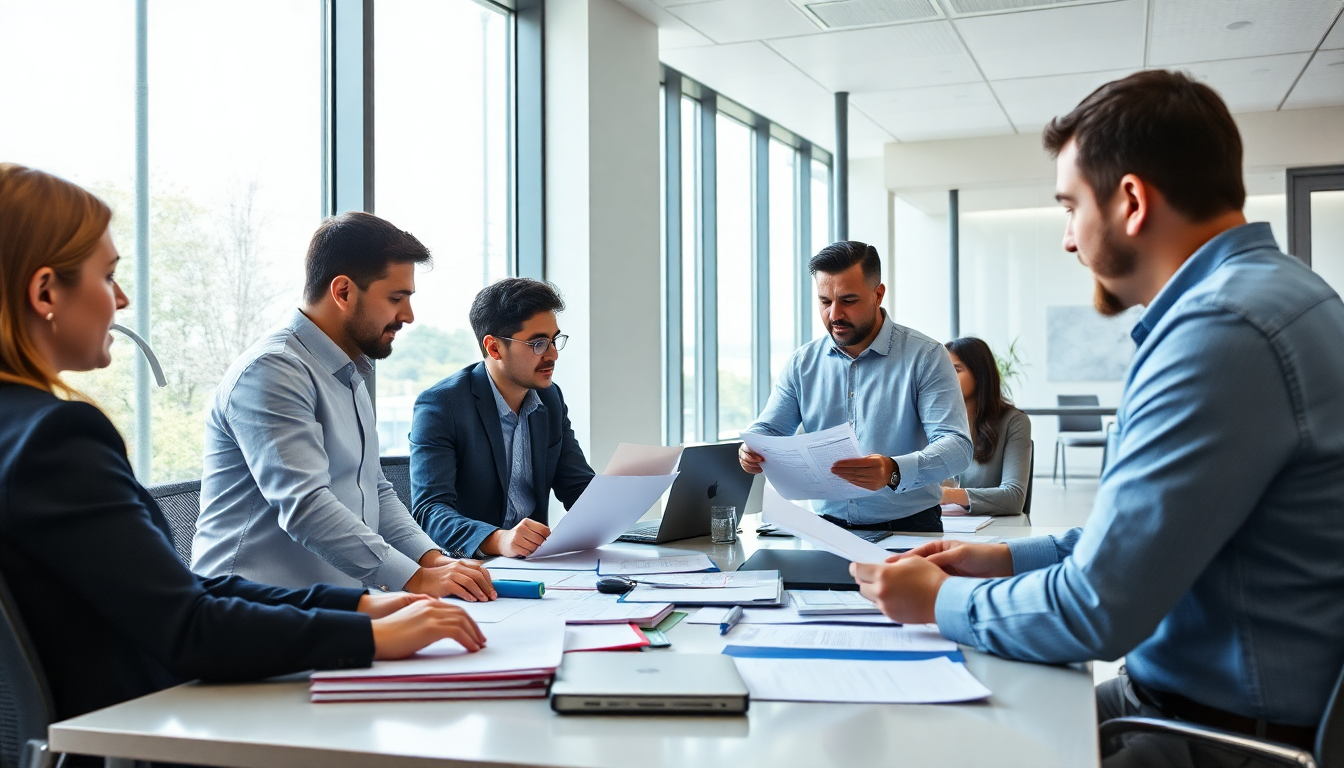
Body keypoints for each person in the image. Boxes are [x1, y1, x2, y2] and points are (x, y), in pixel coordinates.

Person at [851, 70, 1344, 761]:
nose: (1068, 239)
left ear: (1132, 202)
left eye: (1070, 206)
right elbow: (1142, 532)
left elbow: (1097, 608)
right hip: (1192, 702)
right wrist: (1003, 558)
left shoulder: (1220, 332)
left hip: (1221, 736)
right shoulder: (1285, 295)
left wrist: (936, 601)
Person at [0, 165, 485, 735]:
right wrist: (368, 633)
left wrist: (357, 605)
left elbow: (174, 593)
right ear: (45, 292)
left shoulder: (23, 430)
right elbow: (188, 625)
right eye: (108, 277)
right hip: (149, 721)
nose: (123, 298)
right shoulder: (55, 438)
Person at [193, 211, 496, 601]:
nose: (408, 316)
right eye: (396, 298)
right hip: (249, 611)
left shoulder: (348, 371)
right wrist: (415, 579)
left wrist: (432, 561)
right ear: (343, 292)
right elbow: (306, 507)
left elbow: (376, 492)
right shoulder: (272, 370)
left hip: (331, 607)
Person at [740, 241, 972, 533]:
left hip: (910, 528)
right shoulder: (802, 363)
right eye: (825, 301)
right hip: (828, 529)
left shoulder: (926, 356)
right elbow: (769, 430)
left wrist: (893, 470)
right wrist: (751, 449)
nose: (834, 314)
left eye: (848, 301)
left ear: (878, 295)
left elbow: (957, 448)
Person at [410, 278, 594, 558]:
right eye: (538, 343)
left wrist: (625, 504)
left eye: (554, 340)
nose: (553, 355)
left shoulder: (550, 398)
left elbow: (577, 487)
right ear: (494, 348)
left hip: (536, 564)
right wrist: (498, 539)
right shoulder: (441, 405)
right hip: (470, 566)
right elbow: (430, 510)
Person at [940, 337, 1031, 516]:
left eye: (955, 370)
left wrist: (948, 495)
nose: (945, 378)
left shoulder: (1014, 422)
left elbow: (1014, 498)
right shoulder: (936, 421)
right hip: (941, 523)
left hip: (994, 527)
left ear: (980, 374)